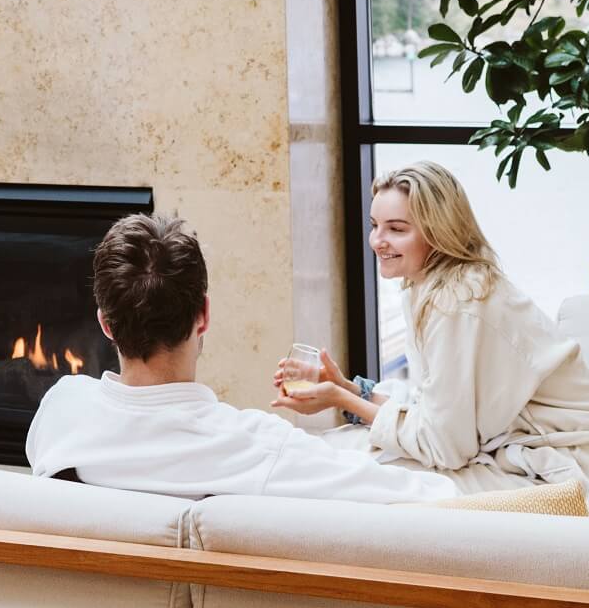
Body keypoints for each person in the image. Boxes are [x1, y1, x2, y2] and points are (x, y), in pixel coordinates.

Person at [272, 161, 589, 517]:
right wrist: (349, 390)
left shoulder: (456, 301)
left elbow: (444, 446)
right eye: (375, 225)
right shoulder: (433, 289)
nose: (378, 241)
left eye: (396, 229)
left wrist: (341, 398)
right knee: (332, 455)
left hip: (570, 483)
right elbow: (439, 418)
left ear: (437, 231)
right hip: (523, 459)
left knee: (347, 472)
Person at [26, 212, 457, 504]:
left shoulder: (60, 410)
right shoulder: (257, 447)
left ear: (105, 323)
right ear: (204, 315)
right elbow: (431, 501)